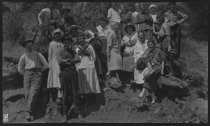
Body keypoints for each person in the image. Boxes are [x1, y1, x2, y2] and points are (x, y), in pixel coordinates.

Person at [17, 39, 48, 122]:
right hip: (27, 74)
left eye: (31, 45)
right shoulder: (23, 56)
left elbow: (46, 65)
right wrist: (25, 74)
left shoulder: (38, 55)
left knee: (33, 93)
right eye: (28, 46)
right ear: (25, 47)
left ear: (33, 46)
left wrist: (39, 70)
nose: (29, 47)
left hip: (37, 75)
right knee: (27, 94)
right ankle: (32, 113)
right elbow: (20, 68)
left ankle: (27, 112)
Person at [75, 34, 101, 112]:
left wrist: (90, 62)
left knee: (91, 83)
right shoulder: (76, 47)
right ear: (78, 39)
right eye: (79, 38)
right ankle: (86, 103)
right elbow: (78, 55)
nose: (81, 39)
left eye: (82, 38)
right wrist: (84, 50)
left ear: (84, 39)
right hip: (81, 67)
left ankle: (94, 102)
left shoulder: (89, 46)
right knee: (83, 85)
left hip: (90, 66)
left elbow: (94, 56)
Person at [59, 37, 82, 121]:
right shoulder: (60, 52)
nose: (67, 44)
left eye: (68, 42)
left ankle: (78, 112)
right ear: (63, 43)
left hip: (73, 73)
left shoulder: (73, 51)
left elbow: (78, 59)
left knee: (75, 92)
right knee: (65, 94)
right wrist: (66, 61)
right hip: (64, 73)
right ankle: (65, 114)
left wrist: (70, 60)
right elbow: (59, 61)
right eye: (65, 42)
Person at [47, 28, 64, 104]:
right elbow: (49, 55)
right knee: (55, 77)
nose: (57, 36)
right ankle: (56, 96)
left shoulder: (62, 44)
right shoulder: (51, 43)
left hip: (61, 61)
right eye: (56, 34)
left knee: (60, 77)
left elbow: (63, 54)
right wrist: (50, 63)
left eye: (59, 34)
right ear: (54, 35)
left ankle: (60, 95)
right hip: (54, 62)